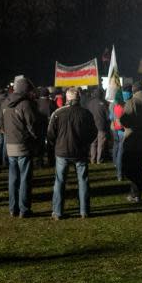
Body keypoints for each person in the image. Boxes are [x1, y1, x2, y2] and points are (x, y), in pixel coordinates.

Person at [47, 87, 97, 219]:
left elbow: (50, 134)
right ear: (78, 98)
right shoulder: (85, 113)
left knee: (60, 181)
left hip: (62, 151)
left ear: (66, 98)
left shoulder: (58, 113)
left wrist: (56, 145)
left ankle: (58, 212)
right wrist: (85, 143)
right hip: (79, 151)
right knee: (83, 180)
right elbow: (93, 132)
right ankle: (84, 211)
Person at [0, 76, 39, 217]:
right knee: (24, 179)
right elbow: (32, 125)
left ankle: (13, 208)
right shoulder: (25, 104)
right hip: (23, 145)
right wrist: (35, 137)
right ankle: (24, 209)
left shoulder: (5, 103)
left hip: (10, 144)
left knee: (13, 178)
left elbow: (1, 124)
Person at [120, 82, 142, 204]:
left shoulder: (132, 102)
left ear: (133, 91)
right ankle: (136, 194)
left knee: (129, 170)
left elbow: (125, 120)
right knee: (138, 169)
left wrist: (121, 119)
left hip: (133, 139)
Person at [86, 88, 110, 164]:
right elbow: (108, 116)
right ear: (101, 94)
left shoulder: (89, 103)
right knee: (101, 144)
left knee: (93, 144)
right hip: (101, 126)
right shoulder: (104, 103)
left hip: (92, 127)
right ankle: (99, 160)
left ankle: (92, 160)